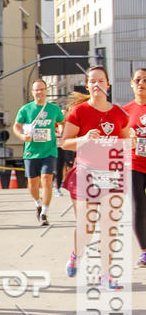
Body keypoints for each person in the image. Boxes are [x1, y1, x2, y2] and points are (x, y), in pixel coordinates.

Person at [60, 65, 130, 286]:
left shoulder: (119, 113)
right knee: (87, 226)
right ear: (87, 85)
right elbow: (65, 143)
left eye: (100, 80)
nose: (96, 84)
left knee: (109, 226)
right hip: (87, 173)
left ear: (108, 84)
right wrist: (84, 139)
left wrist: (131, 143)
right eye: (92, 81)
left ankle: (106, 275)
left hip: (112, 174)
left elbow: (127, 144)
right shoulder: (80, 112)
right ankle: (76, 254)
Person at [13, 79, 65, 226]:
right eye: (36, 90)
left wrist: (60, 132)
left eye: (42, 89)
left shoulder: (54, 109)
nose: (39, 93)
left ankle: (44, 213)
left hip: (49, 150)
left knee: (47, 178)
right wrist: (22, 136)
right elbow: (16, 126)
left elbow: (62, 122)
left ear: (46, 91)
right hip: (31, 151)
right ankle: (38, 203)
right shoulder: (25, 109)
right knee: (32, 183)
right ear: (32, 92)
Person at [122, 67, 146, 266]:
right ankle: (144, 251)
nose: (141, 83)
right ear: (131, 84)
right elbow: (115, 138)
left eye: (145, 80)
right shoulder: (125, 111)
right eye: (137, 80)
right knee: (138, 207)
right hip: (134, 164)